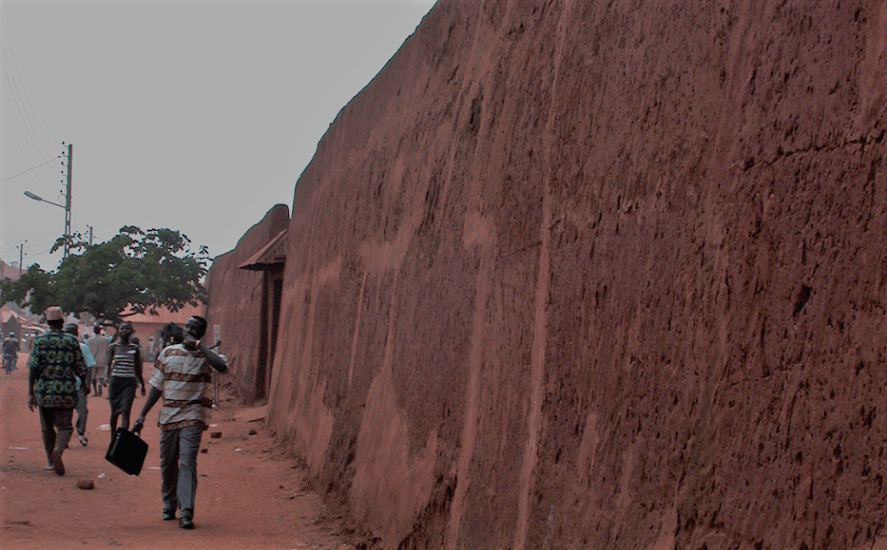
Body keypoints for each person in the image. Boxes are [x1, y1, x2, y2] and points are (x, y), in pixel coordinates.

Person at [133, 316, 228, 530]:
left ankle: (186, 512)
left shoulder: (207, 356)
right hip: (168, 415)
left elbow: (222, 367)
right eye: (188, 326)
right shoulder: (168, 353)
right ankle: (169, 505)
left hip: (193, 415)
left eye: (195, 328)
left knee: (187, 463)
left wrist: (199, 346)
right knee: (167, 463)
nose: (189, 330)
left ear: (201, 333)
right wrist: (142, 415)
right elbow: (157, 387)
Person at [27, 306, 88, 476]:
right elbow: (80, 366)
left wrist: (31, 393)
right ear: (62, 322)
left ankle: (50, 461)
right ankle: (59, 450)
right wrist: (84, 383)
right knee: (65, 427)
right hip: (66, 391)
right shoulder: (71, 340)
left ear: (48, 322)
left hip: (44, 391)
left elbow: (33, 368)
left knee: (46, 428)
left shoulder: (39, 341)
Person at [106, 321, 145, 436]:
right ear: (118, 330)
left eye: (128, 328)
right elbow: (108, 364)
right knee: (114, 413)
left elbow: (137, 368)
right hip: (115, 382)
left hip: (129, 383)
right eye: (122, 328)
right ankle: (113, 437)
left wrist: (142, 384)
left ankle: (121, 439)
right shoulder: (113, 347)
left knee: (125, 411)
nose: (125, 330)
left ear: (131, 331)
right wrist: (105, 376)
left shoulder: (135, 348)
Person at [63, 323, 96, 446]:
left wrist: (87, 384)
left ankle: (81, 432)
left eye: (72, 333)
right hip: (64, 386)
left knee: (82, 413)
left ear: (76, 334)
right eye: (67, 333)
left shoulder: (83, 347)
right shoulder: (60, 348)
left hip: (79, 386)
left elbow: (89, 367)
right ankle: (64, 438)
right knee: (65, 413)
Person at [87, 326, 111, 396]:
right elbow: (108, 350)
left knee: (93, 377)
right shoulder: (105, 340)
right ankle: (100, 385)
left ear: (94, 331)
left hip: (92, 360)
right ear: (100, 331)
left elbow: (88, 351)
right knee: (101, 375)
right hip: (102, 360)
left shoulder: (89, 340)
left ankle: (95, 391)